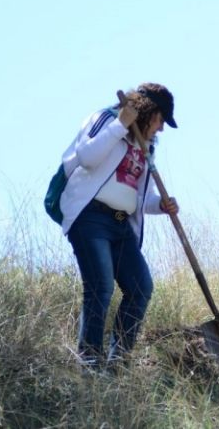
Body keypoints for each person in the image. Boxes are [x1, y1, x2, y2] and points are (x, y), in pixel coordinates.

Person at [57, 83, 180, 371]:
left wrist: (159, 205)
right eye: (161, 120)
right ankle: (89, 362)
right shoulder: (105, 118)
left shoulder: (146, 148)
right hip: (90, 218)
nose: (161, 129)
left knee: (140, 287)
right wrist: (119, 125)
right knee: (100, 286)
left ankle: (118, 363)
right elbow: (86, 157)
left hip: (122, 225)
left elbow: (136, 196)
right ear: (149, 111)